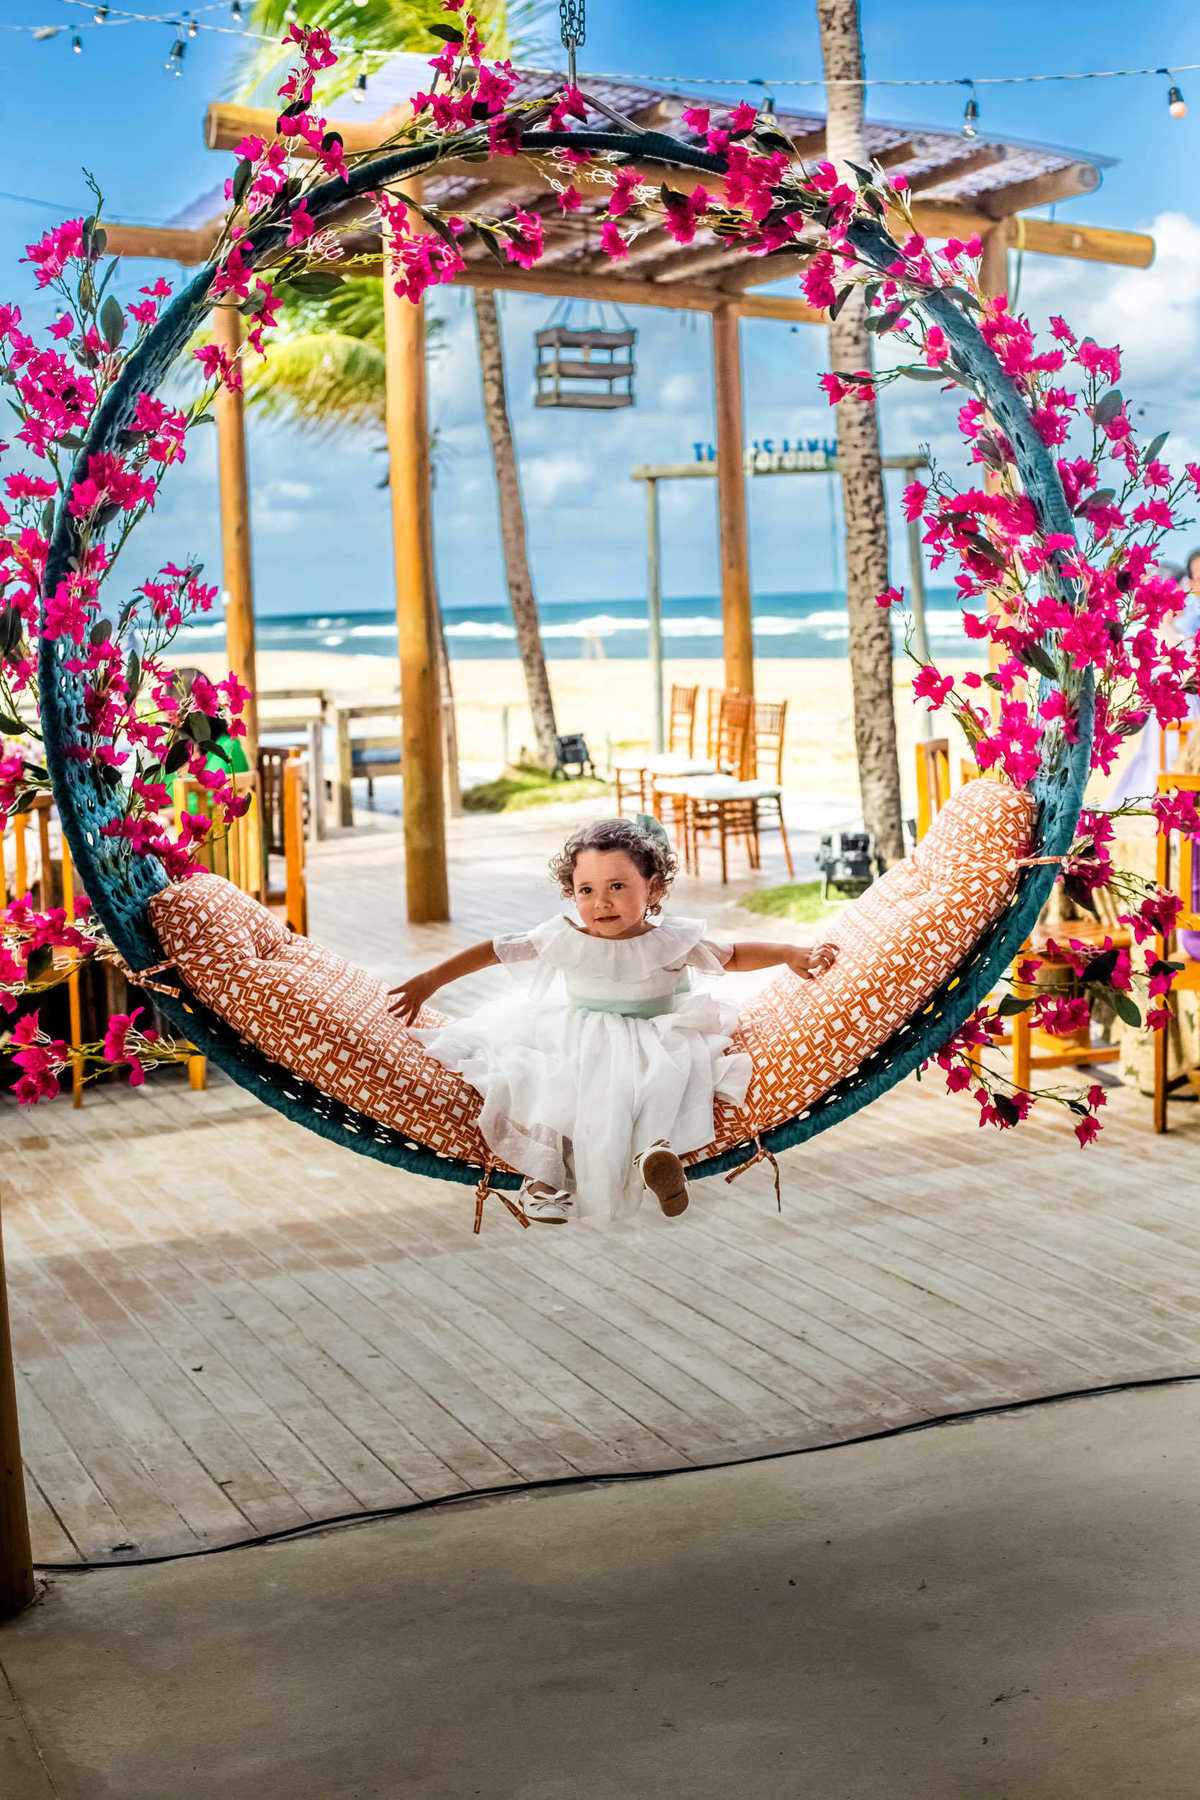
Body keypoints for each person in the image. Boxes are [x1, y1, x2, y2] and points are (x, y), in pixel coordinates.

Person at [387, 815, 837, 1226]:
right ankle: (549, 1176)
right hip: (575, 1033)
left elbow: (732, 955)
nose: (601, 902)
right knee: (551, 1081)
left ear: (654, 888)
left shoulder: (673, 941)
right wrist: (430, 980)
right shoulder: (564, 939)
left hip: (655, 1033)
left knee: (662, 1077)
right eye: (587, 891)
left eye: (618, 887)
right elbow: (496, 949)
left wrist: (787, 954)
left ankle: (655, 1156)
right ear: (572, 893)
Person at [1109, 556, 1198, 807]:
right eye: (1179, 592)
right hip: (1170, 711)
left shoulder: (1180, 633)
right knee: (1166, 755)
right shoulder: (1151, 634)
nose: (1184, 598)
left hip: (1189, 708)